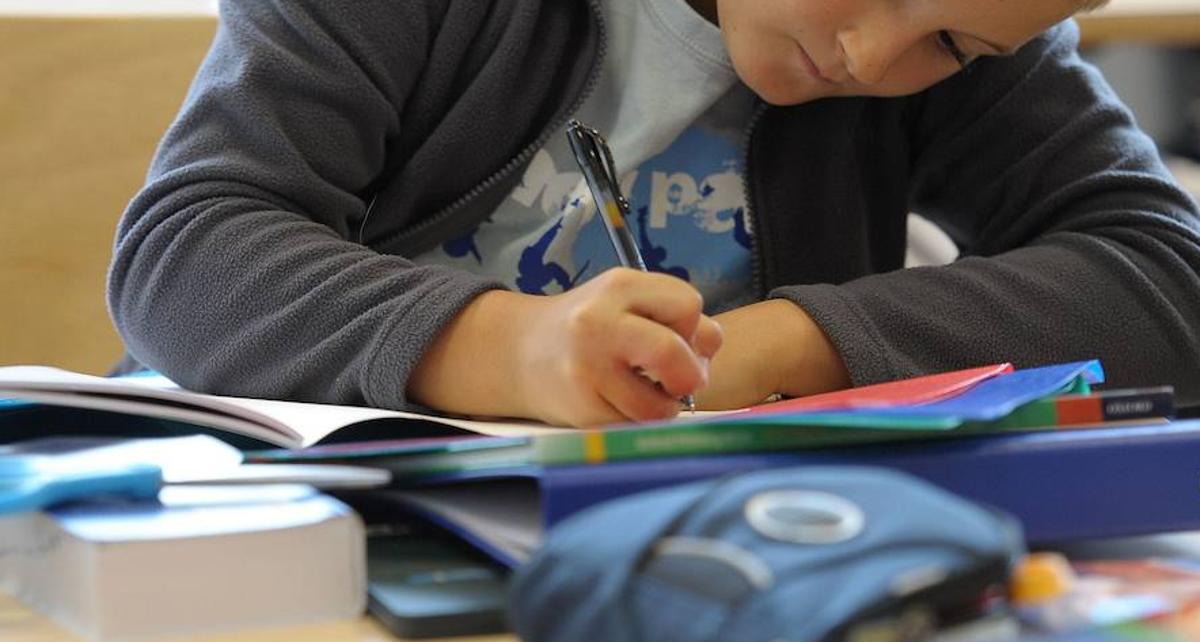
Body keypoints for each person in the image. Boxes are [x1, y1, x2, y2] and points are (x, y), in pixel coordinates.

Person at [108, 0, 1200, 428]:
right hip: (308, 533)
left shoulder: (973, 25)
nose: (870, 57)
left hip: (686, 539)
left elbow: (1166, 274)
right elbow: (188, 248)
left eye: (951, 47)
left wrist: (786, 347)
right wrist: (507, 350)